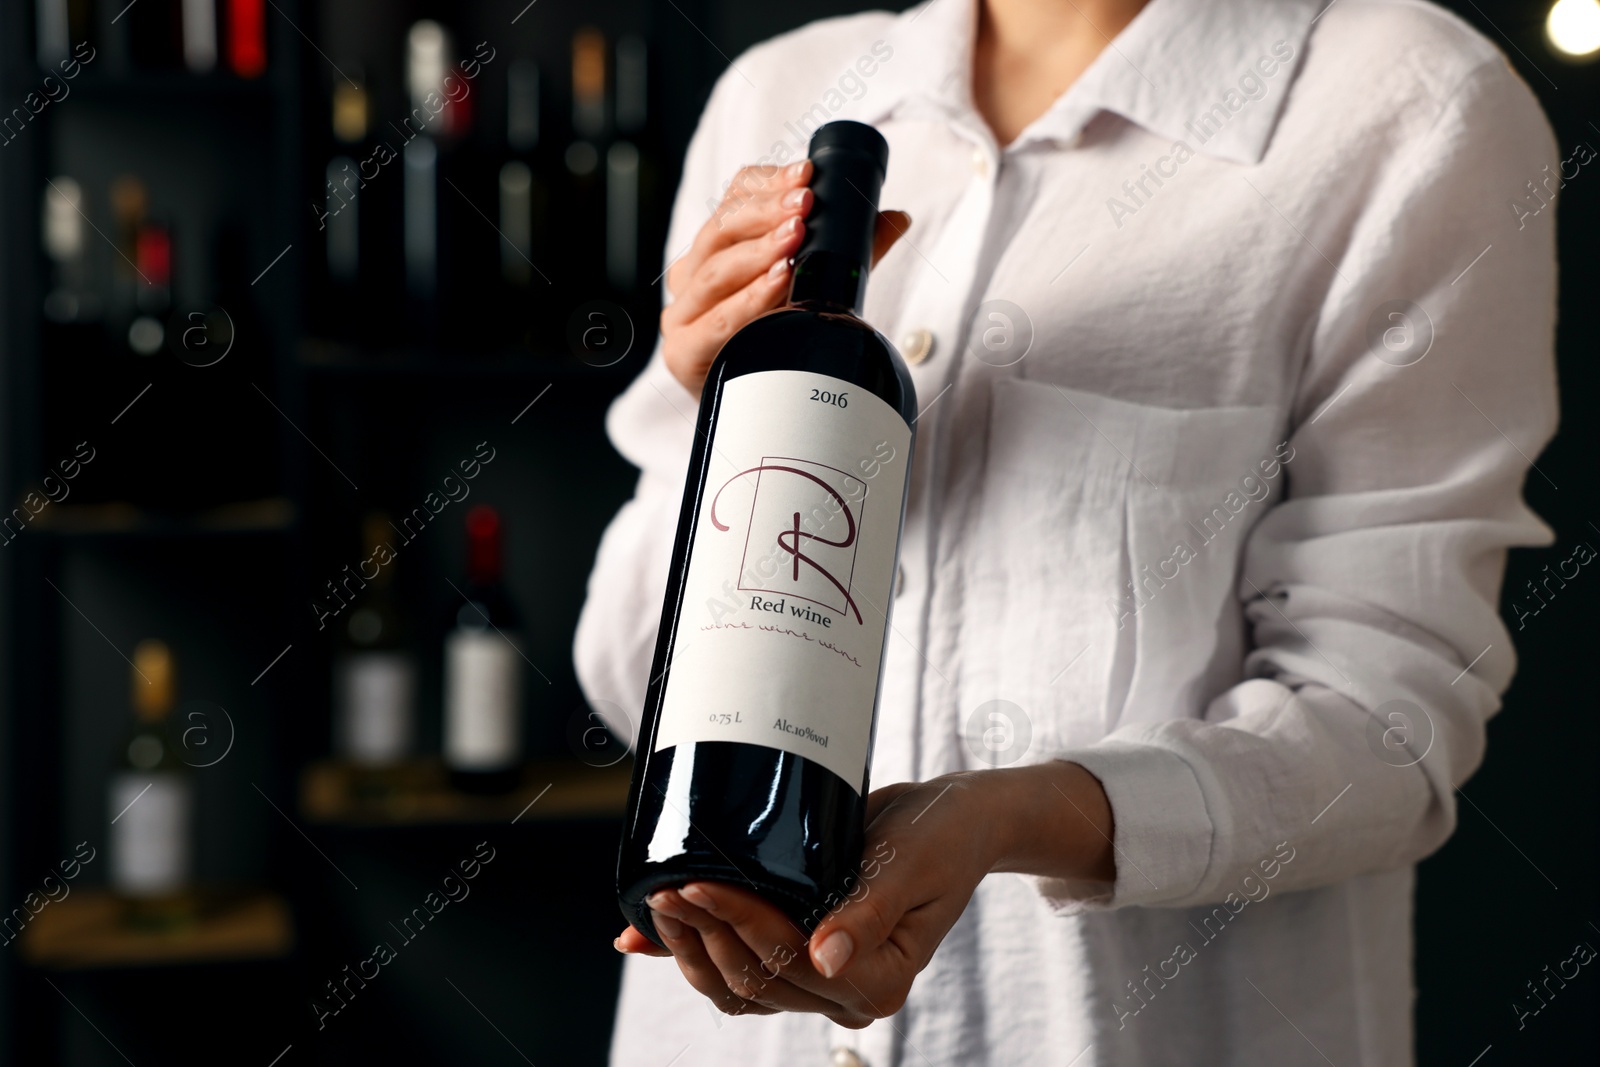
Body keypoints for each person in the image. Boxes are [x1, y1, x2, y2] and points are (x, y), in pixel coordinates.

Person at [574, 0, 1559, 1062]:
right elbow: (630, 679)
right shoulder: (781, 94)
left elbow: (1388, 724)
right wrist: (702, 407)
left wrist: (1011, 814)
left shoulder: (1405, 103)